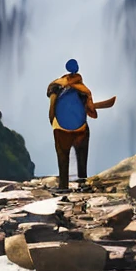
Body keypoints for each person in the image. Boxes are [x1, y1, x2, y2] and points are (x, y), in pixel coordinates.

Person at [46, 58, 115, 190]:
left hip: (60, 129)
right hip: (81, 129)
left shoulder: (56, 86)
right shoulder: (83, 90)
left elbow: (51, 103)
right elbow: (91, 110)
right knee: (81, 155)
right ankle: (82, 182)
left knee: (63, 157)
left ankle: (63, 185)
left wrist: (52, 119)